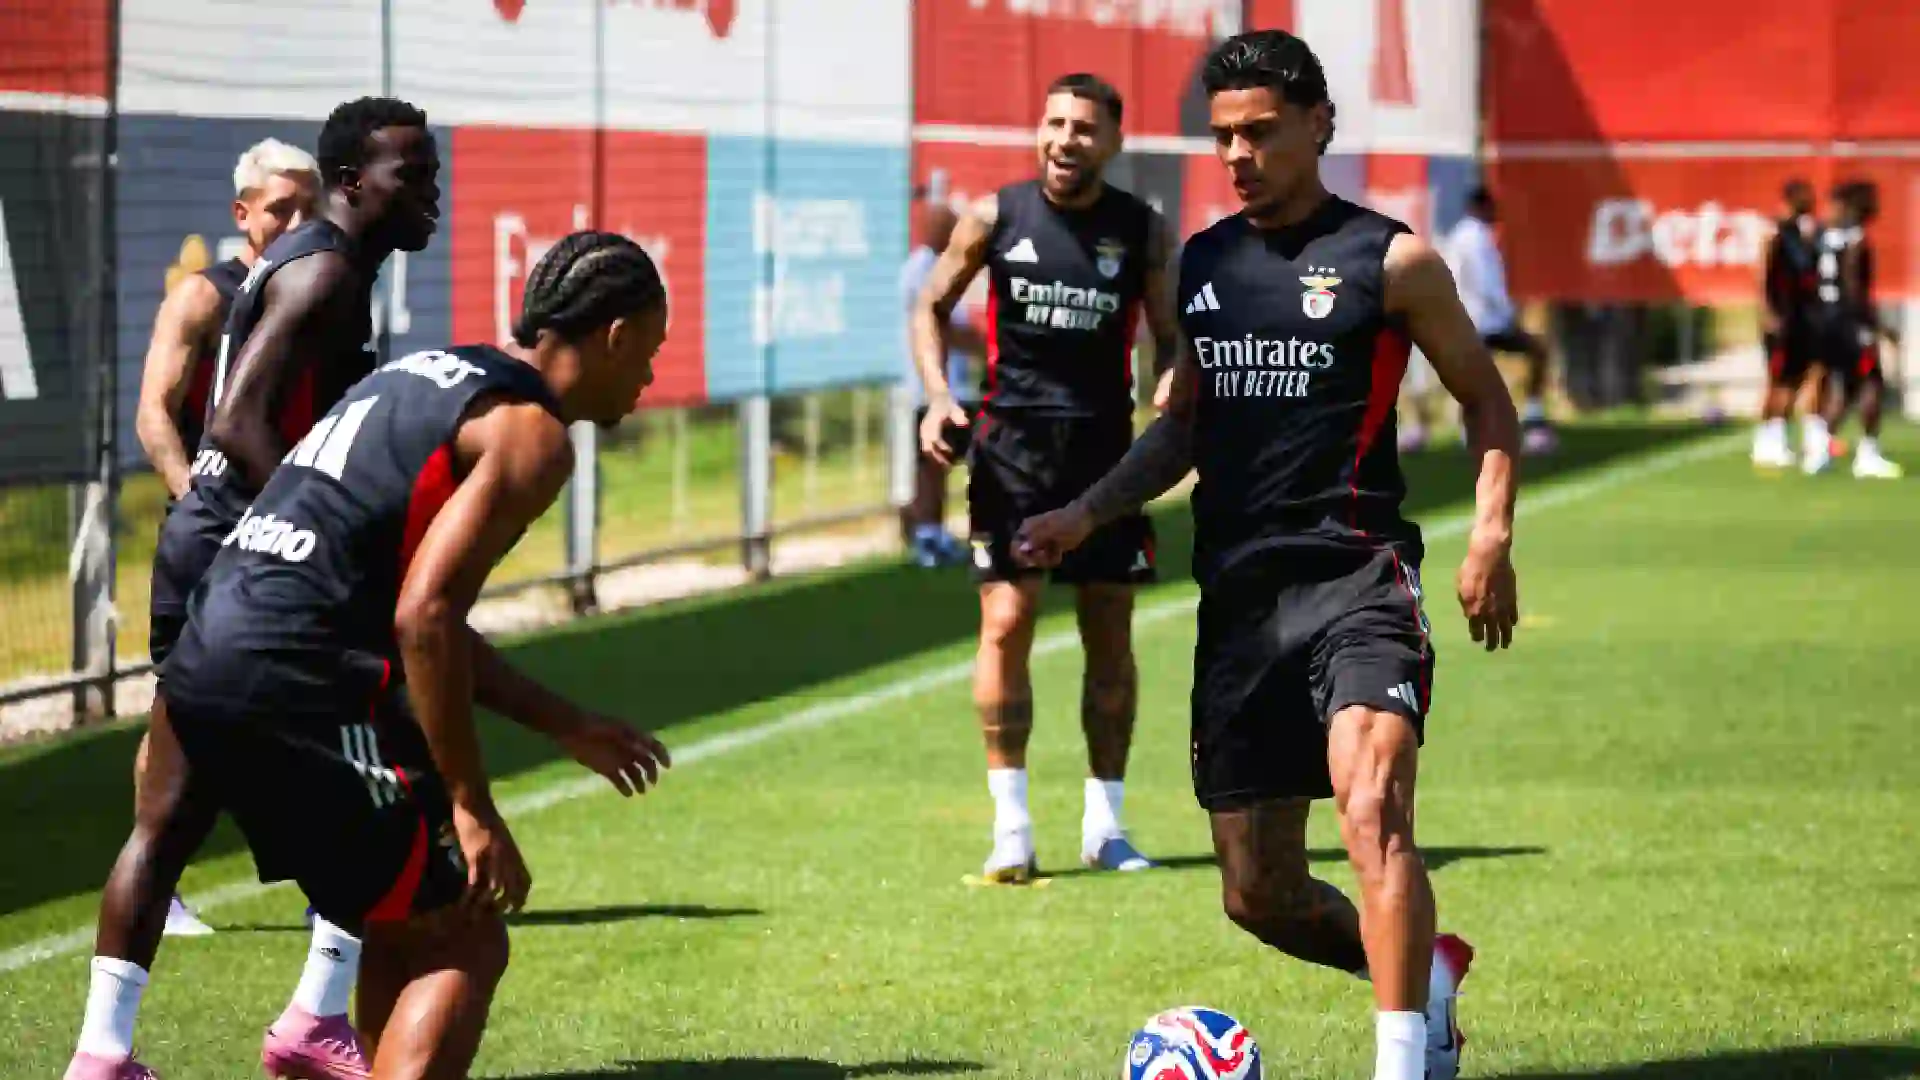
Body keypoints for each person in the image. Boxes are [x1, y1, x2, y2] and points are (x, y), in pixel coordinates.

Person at [1015, 30, 1520, 1080]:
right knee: (1257, 895)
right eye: (1223, 137)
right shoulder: (1205, 264)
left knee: (1372, 806)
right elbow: (1185, 426)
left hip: (1358, 578)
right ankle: (1425, 978)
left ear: (1319, 126)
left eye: (1260, 133)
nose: (1238, 155)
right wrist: (1087, 512)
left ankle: (1404, 1062)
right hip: (1240, 606)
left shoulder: (1394, 262)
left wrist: (1490, 532)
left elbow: (1485, 398)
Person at [165, 231, 670, 1080]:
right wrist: (470, 804)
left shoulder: (433, 373)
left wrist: (566, 724)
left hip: (209, 650)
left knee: (407, 920)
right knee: (467, 933)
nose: (650, 379)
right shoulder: (531, 436)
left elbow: (416, 614)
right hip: (297, 671)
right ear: (615, 337)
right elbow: (426, 618)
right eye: (649, 354)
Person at [68, 97, 440, 1080]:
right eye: (415, 174)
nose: (433, 193)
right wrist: (323, 526)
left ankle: (102, 1056)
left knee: (177, 811)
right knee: (391, 765)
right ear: (355, 183)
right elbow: (234, 422)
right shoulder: (324, 272)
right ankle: (315, 1018)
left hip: (225, 546)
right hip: (255, 552)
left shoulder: (321, 264)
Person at [911, 73, 1183, 883]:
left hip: (1107, 460)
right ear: (1040, 130)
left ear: (1113, 144)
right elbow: (929, 306)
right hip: (1011, 455)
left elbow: (1171, 337)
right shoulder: (996, 216)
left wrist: (1172, 378)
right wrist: (935, 399)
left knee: (1109, 633)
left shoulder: (1142, 231)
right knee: (1005, 624)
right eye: (1056, 123)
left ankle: (1105, 825)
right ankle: (1012, 829)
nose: (1067, 139)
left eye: (1085, 128)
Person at [131, 136, 321, 939]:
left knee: (312, 700)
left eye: (311, 206)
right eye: (282, 208)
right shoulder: (206, 298)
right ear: (243, 214)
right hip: (214, 533)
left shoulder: (325, 290)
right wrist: (199, 500)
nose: (299, 220)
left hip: (296, 530)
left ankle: (332, 878)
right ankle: (156, 888)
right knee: (180, 710)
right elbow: (154, 415)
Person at [898, 198, 983, 567]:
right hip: (933, 391)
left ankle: (932, 533)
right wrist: (994, 346)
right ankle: (926, 536)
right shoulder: (920, 270)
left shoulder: (945, 266)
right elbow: (940, 326)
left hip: (956, 389)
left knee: (945, 463)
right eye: (950, 226)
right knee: (934, 466)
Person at [1442, 186, 1554, 454]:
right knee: (1537, 351)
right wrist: (1507, 315)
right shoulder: (1478, 237)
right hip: (1487, 321)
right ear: (1482, 207)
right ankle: (1533, 415)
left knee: (1476, 379)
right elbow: (1486, 283)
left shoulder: (1457, 236)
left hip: (1465, 320)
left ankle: (1470, 432)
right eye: (1492, 208)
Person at [1804, 180, 1902, 478]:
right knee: (1871, 382)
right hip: (1849, 323)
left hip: (1826, 319)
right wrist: (1879, 326)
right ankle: (1868, 454)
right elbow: (1854, 289)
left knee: (1844, 388)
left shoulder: (1823, 237)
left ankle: (1819, 451)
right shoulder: (1856, 240)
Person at [1750, 179, 1820, 469]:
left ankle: (1778, 437)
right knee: (1777, 379)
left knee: (1797, 378)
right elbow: (1762, 275)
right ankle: (1767, 439)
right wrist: (1767, 312)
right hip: (1780, 318)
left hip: (1800, 318)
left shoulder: (1803, 233)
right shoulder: (1775, 232)